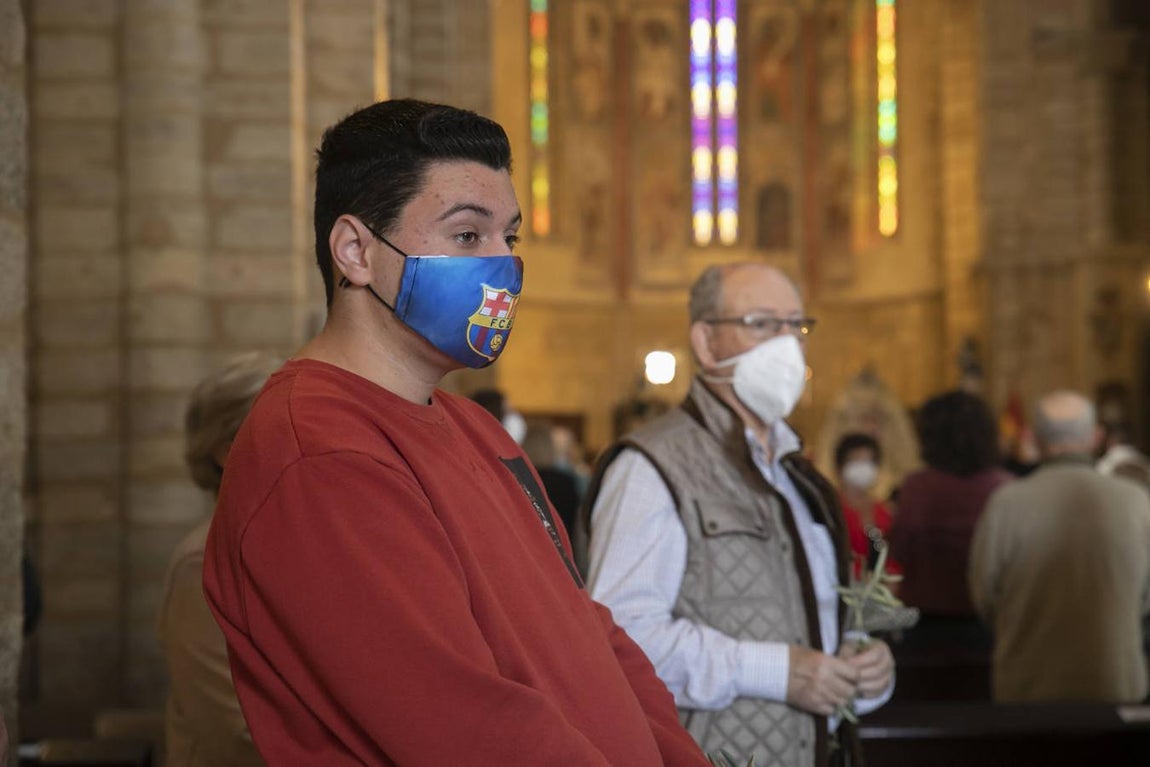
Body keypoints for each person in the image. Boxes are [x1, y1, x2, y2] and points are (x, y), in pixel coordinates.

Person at [202, 99, 708, 766]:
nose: (503, 265)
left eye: (511, 237)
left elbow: (591, 634)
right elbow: (465, 727)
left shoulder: (474, 426)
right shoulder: (317, 453)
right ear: (355, 251)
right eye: (468, 236)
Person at [576, 263, 894, 767]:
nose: (787, 343)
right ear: (706, 342)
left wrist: (863, 663)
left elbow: (817, 611)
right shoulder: (651, 465)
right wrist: (775, 671)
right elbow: (619, 638)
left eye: (797, 326)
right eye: (764, 323)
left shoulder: (799, 475)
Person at [969, 391, 1150, 702]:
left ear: (1033, 439)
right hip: (1116, 685)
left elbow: (984, 594)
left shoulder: (1007, 503)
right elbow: (1146, 600)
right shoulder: (1136, 500)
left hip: (1027, 685)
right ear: (1096, 437)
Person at [158, 353, 279, 767]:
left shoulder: (288, 545)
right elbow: (233, 732)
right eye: (280, 428)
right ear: (227, 450)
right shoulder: (203, 562)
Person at [887, 390, 1012, 658]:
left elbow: (897, 548)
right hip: (989, 622)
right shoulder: (1003, 487)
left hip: (925, 621)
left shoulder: (918, 486)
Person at [833, 433, 900, 580]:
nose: (863, 468)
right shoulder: (831, 510)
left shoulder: (885, 512)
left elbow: (893, 559)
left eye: (869, 462)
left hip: (881, 593)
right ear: (841, 466)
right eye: (856, 461)